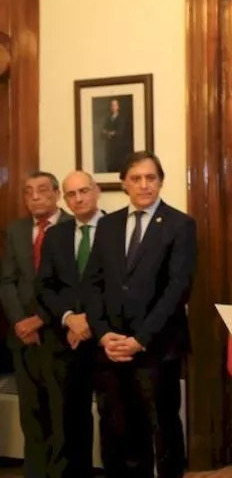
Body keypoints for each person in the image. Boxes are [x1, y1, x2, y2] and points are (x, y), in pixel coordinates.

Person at [84, 152, 197, 478]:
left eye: (151, 177)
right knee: (119, 430)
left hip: (157, 349)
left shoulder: (180, 225)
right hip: (112, 347)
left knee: (163, 429)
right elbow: (93, 284)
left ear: (161, 181)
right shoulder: (108, 224)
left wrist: (140, 340)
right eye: (136, 178)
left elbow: (177, 290)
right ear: (124, 184)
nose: (144, 184)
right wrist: (104, 333)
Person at [0, 171, 71, 478]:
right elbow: (7, 281)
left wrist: (40, 320)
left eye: (42, 190)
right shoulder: (15, 230)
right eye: (28, 192)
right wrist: (20, 322)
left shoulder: (73, 226)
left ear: (57, 194)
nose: (35, 197)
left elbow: (74, 285)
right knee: (32, 413)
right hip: (23, 338)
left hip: (59, 333)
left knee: (61, 411)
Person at [36, 170, 104, 477]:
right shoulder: (57, 235)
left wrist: (89, 321)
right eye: (71, 194)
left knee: (114, 418)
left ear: (97, 191)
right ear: (65, 199)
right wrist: (69, 318)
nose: (78, 198)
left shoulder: (116, 229)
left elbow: (119, 285)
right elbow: (45, 286)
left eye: (84, 191)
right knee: (72, 421)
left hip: (106, 338)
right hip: (66, 341)